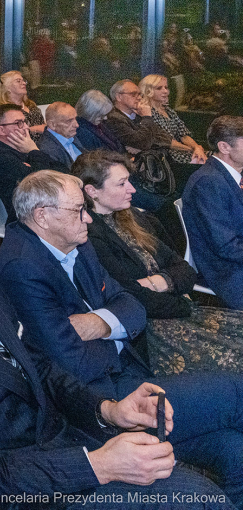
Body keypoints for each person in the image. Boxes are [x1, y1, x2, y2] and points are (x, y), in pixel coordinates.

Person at [0, 199, 233, 509]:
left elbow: (42, 367)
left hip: (72, 436)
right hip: (41, 486)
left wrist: (107, 410)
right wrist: (97, 465)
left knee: (231, 448)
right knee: (198, 494)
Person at [0, 170, 243, 505]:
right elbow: (71, 362)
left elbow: (132, 303)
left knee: (233, 449)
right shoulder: (21, 266)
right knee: (237, 393)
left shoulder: (74, 241)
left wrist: (99, 326)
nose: (88, 219)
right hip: (101, 398)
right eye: (78, 210)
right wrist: (114, 325)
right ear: (42, 216)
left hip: (129, 377)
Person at [74, 150, 243, 375]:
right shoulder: (90, 237)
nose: (132, 189)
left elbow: (185, 269)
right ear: (92, 191)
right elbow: (130, 297)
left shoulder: (133, 217)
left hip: (175, 310)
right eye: (122, 184)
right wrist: (177, 296)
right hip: (151, 329)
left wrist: (157, 281)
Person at [183, 116, 243, 310]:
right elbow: (226, 247)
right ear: (225, 147)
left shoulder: (231, 174)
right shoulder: (208, 183)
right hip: (226, 270)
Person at [0, 103, 67, 222]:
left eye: (24, 122)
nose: (26, 127)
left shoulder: (23, 148)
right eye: (18, 123)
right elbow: (42, 183)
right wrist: (33, 151)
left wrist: (34, 153)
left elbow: (62, 170)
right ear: (1, 130)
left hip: (45, 205)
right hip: (27, 216)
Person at [139, 74, 207, 165]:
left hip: (185, 151)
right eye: (159, 88)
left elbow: (184, 135)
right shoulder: (147, 113)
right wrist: (194, 149)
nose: (165, 91)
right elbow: (165, 142)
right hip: (168, 155)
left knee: (217, 158)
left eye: (166, 87)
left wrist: (197, 147)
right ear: (148, 91)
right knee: (206, 162)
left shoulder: (169, 110)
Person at [103, 80, 173, 156]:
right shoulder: (113, 119)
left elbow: (166, 138)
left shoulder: (138, 115)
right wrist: (147, 117)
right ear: (119, 97)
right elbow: (143, 143)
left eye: (139, 94)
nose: (139, 98)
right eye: (133, 94)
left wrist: (142, 148)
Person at [0, 70, 45, 140]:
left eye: (23, 81)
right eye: (18, 81)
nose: (23, 83)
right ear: (7, 87)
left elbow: (45, 127)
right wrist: (35, 129)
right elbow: (9, 135)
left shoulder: (31, 106)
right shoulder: (2, 111)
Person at [38, 101, 86, 170]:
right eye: (69, 121)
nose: (76, 125)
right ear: (52, 125)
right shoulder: (46, 150)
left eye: (75, 119)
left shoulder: (69, 135)